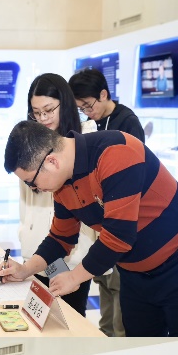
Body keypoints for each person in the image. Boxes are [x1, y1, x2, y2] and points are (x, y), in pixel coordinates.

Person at [0, 121, 178, 338]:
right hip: (132, 271)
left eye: (32, 182)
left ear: (52, 161)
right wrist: (25, 270)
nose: (35, 189)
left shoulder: (115, 152)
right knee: (143, 342)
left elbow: (118, 236)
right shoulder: (62, 183)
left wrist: (73, 277)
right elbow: (60, 238)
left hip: (173, 262)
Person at [68, 69, 145, 338]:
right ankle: (106, 337)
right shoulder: (93, 123)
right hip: (99, 223)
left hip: (119, 220)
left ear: (103, 94)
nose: (87, 113)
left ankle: (119, 341)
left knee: (119, 291)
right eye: (81, 109)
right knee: (104, 286)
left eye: (88, 105)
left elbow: (133, 176)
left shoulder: (127, 122)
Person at [19, 73, 96, 317]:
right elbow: (27, 202)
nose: (43, 118)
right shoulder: (30, 143)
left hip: (71, 253)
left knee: (70, 320)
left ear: (66, 103)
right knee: (40, 319)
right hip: (38, 250)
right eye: (36, 112)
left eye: (49, 110)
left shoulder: (85, 140)